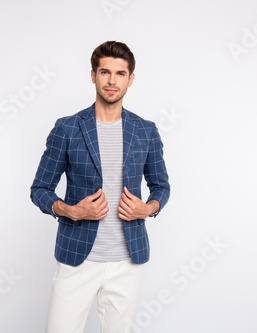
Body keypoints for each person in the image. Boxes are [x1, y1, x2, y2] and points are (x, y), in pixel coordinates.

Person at [30, 40, 170, 332]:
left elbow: (161, 186)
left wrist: (148, 208)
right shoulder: (67, 128)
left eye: (120, 74)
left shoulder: (146, 130)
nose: (111, 81)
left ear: (130, 79)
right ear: (93, 75)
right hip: (77, 257)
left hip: (127, 259)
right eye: (105, 72)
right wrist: (70, 210)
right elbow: (39, 189)